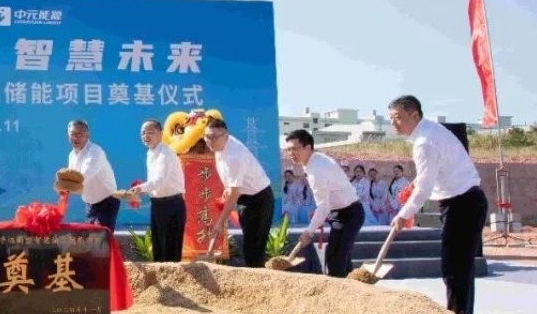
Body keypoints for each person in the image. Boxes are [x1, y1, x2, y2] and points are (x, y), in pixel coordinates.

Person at [389, 95, 488, 314]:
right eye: (391, 118)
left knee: (455, 267)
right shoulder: (430, 131)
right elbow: (434, 171)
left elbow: (425, 187)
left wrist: (404, 214)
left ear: (414, 115)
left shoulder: (425, 142)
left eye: (398, 117)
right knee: (458, 265)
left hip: (463, 204)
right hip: (464, 202)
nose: (394, 123)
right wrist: (414, 184)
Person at [286, 129, 365, 277]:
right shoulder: (313, 161)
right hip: (337, 214)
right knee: (338, 258)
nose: (291, 153)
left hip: (351, 213)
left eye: (295, 148)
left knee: (336, 260)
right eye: (289, 149)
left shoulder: (317, 169)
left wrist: (309, 232)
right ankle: (350, 285)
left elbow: (323, 205)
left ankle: (342, 288)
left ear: (307, 147)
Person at [202, 117, 274, 267]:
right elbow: (232, 186)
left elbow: (235, 192)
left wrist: (220, 222)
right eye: (207, 137)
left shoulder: (234, 156)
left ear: (226, 136)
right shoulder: (219, 146)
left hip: (259, 200)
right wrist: (227, 189)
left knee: (254, 248)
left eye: (214, 137)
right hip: (244, 198)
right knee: (249, 245)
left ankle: (259, 278)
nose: (210, 141)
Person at [130, 119, 187, 262]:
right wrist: (142, 191)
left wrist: (141, 188)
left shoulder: (165, 154)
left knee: (170, 252)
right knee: (158, 249)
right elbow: (155, 184)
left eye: (150, 132)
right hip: (157, 205)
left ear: (161, 134)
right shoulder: (150, 153)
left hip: (171, 205)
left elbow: (160, 181)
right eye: (143, 133)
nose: (146, 136)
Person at [65, 120, 120, 231]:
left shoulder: (95, 151)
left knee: (102, 238)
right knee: (91, 239)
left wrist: (66, 186)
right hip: (90, 205)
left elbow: (83, 177)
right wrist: (64, 188)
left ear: (87, 134)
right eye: (72, 134)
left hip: (107, 202)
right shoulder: (72, 155)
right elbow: (72, 179)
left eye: (79, 134)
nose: (75, 138)